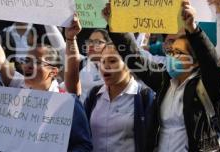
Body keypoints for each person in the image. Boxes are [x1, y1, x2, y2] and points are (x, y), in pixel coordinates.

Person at [102, 0, 220, 151]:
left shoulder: (206, 87)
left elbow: (213, 65)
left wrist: (193, 30)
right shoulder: (164, 82)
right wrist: (115, 24)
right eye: (171, 52)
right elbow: (135, 58)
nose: (172, 57)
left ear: (194, 60)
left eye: (179, 53)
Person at [0, 12, 93, 152]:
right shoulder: (18, 87)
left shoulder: (65, 99)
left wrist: (71, 38)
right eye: (27, 60)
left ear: (53, 72)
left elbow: (83, 146)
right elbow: (0, 60)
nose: (29, 66)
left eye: (37, 62)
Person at [64, 17, 157, 152]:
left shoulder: (144, 98)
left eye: (113, 61)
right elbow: (72, 87)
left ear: (128, 65)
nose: (106, 66)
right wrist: (71, 39)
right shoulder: (94, 96)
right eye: (103, 61)